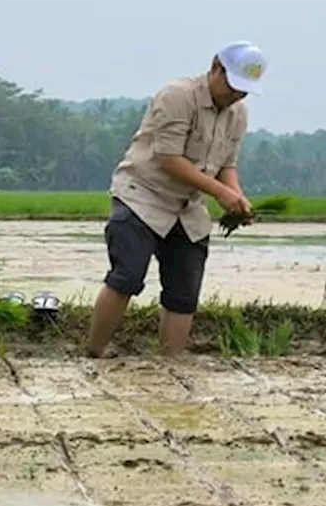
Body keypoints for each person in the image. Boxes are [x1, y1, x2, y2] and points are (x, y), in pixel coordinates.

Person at [86, 41, 264, 358]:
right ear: (215, 68)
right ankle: (94, 353)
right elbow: (169, 159)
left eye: (244, 90)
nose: (236, 95)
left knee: (184, 290)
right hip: (143, 195)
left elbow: (227, 165)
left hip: (188, 206)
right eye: (233, 86)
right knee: (127, 277)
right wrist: (220, 192)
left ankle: (172, 364)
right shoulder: (178, 96)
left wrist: (236, 195)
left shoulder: (238, 113)